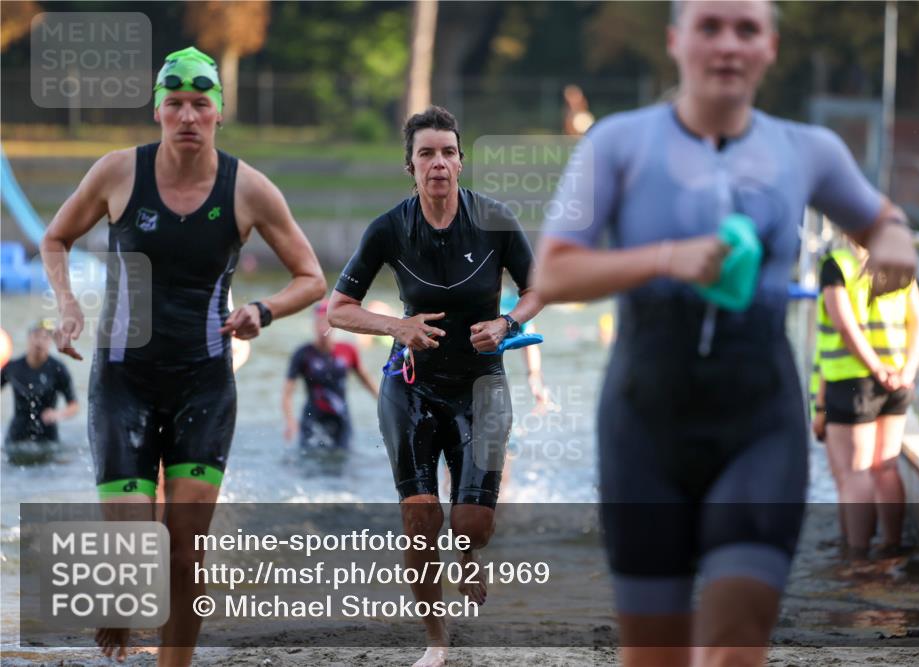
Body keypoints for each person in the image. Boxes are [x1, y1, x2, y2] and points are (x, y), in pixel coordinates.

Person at [533, 2, 918, 666]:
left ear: (770, 46)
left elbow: (883, 218)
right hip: (643, 429)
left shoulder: (807, 150)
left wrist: (896, 241)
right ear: (676, 41)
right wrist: (663, 258)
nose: (728, 45)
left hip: (758, 427)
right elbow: (553, 271)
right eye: (710, 27)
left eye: (746, 30)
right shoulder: (617, 143)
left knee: (739, 646)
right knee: (655, 657)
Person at [40, 46, 326, 665]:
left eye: (201, 104)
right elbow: (56, 237)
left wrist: (263, 310)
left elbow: (311, 277)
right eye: (175, 104)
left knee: (185, 551)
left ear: (220, 113)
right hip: (122, 380)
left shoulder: (248, 188)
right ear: (158, 112)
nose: (188, 116)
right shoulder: (118, 173)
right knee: (134, 549)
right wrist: (67, 305)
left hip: (203, 383)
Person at [327, 105, 542, 667]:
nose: (438, 163)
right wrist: (397, 325)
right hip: (411, 384)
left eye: (448, 152)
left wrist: (507, 323)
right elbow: (338, 310)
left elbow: (541, 288)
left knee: (471, 523)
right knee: (421, 521)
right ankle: (436, 641)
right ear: (411, 166)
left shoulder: (495, 219)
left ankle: (469, 552)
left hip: (482, 385)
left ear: (461, 162)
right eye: (427, 154)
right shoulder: (389, 228)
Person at [812, 240, 919, 560]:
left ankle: (857, 558)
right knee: (885, 467)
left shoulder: (836, 264)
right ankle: (891, 548)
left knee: (856, 472)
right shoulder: (898, 257)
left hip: (854, 381)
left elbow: (845, 327)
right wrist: (907, 370)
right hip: (897, 378)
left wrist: (875, 369)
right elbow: (918, 320)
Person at [282, 301, 379, 450]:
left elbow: (366, 380)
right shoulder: (302, 354)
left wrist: (382, 403)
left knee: (344, 460)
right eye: (318, 322)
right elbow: (287, 392)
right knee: (308, 462)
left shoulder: (348, 350)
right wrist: (290, 421)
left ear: (334, 325)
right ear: (313, 324)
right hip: (312, 417)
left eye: (326, 322)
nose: (322, 327)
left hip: (341, 418)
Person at [1, 319, 79, 463]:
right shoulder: (12, 367)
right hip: (16, 437)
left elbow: (74, 405)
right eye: (36, 335)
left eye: (45, 337)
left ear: (50, 341)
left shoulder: (58, 368)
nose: (40, 341)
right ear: (28, 338)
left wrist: (57, 414)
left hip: (48, 438)